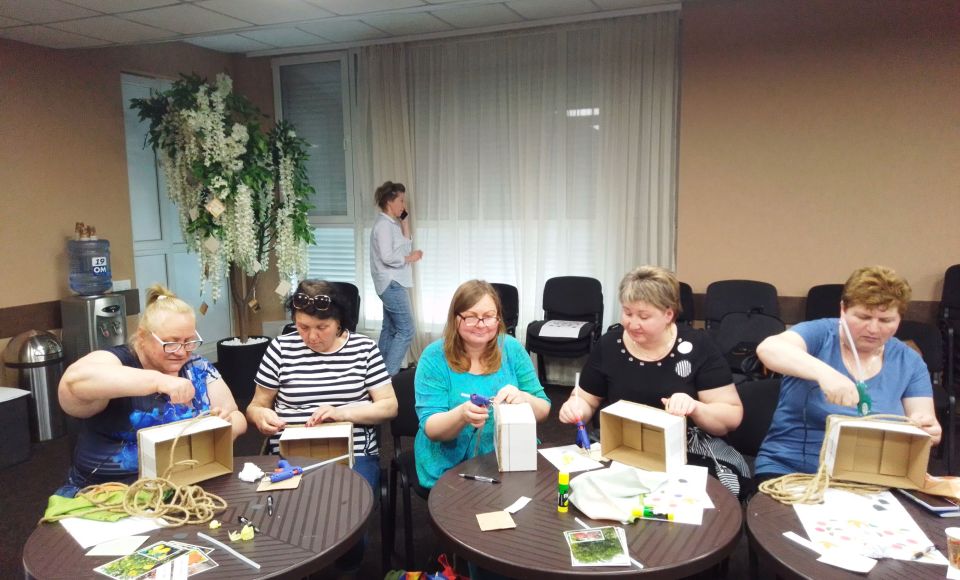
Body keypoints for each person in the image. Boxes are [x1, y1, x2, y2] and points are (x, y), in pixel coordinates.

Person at [557, 266, 749, 497]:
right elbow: (586, 398)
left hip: (685, 448)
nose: (633, 323)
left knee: (703, 501)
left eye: (644, 316)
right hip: (621, 444)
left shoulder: (697, 346)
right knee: (580, 490)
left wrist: (695, 407)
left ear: (669, 314)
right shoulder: (609, 345)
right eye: (627, 313)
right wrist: (576, 407)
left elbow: (731, 417)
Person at [56, 284, 246, 497]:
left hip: (186, 484)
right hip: (108, 493)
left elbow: (237, 416)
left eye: (189, 342)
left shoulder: (197, 368)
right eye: (171, 343)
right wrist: (158, 381)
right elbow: (73, 382)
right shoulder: (119, 361)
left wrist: (225, 426)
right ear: (142, 336)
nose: (182, 352)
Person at [754, 266, 941, 480]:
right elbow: (769, 348)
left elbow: (923, 419)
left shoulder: (910, 361)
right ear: (843, 309)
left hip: (873, 476)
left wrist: (927, 430)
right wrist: (826, 374)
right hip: (792, 469)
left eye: (886, 321)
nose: (873, 329)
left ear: (900, 319)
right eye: (863, 317)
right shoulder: (820, 334)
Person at [246, 279, 398, 492]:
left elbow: (389, 406)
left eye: (322, 327)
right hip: (290, 453)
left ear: (339, 322)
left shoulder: (364, 348)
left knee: (346, 502)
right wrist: (261, 416)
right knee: (287, 508)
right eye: (303, 327)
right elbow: (255, 406)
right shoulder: (281, 348)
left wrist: (341, 413)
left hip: (352, 452)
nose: (312, 337)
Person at [415, 280, 552, 489]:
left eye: (489, 317)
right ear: (455, 318)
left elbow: (543, 409)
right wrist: (461, 415)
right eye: (471, 317)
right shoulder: (434, 357)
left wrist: (525, 399)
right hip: (451, 466)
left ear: (498, 318)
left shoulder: (511, 349)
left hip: (509, 456)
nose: (481, 325)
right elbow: (431, 428)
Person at [370, 180, 423, 376]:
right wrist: (411, 258)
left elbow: (404, 246)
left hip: (393, 282)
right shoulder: (383, 225)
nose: (404, 205)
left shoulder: (391, 224)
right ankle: (387, 378)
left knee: (390, 328)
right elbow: (387, 256)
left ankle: (377, 374)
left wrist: (405, 220)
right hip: (391, 283)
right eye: (401, 200)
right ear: (389, 201)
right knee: (407, 329)